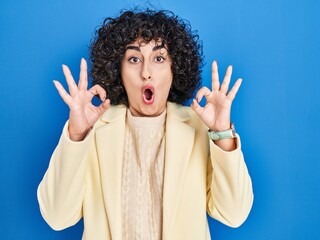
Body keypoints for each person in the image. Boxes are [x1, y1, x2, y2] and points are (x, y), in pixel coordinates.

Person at [37, 8, 253, 240]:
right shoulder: (94, 130)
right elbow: (57, 217)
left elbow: (234, 214)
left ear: (175, 68)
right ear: (118, 69)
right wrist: (77, 134)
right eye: (134, 59)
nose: (146, 72)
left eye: (159, 58)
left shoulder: (200, 129)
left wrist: (222, 134)